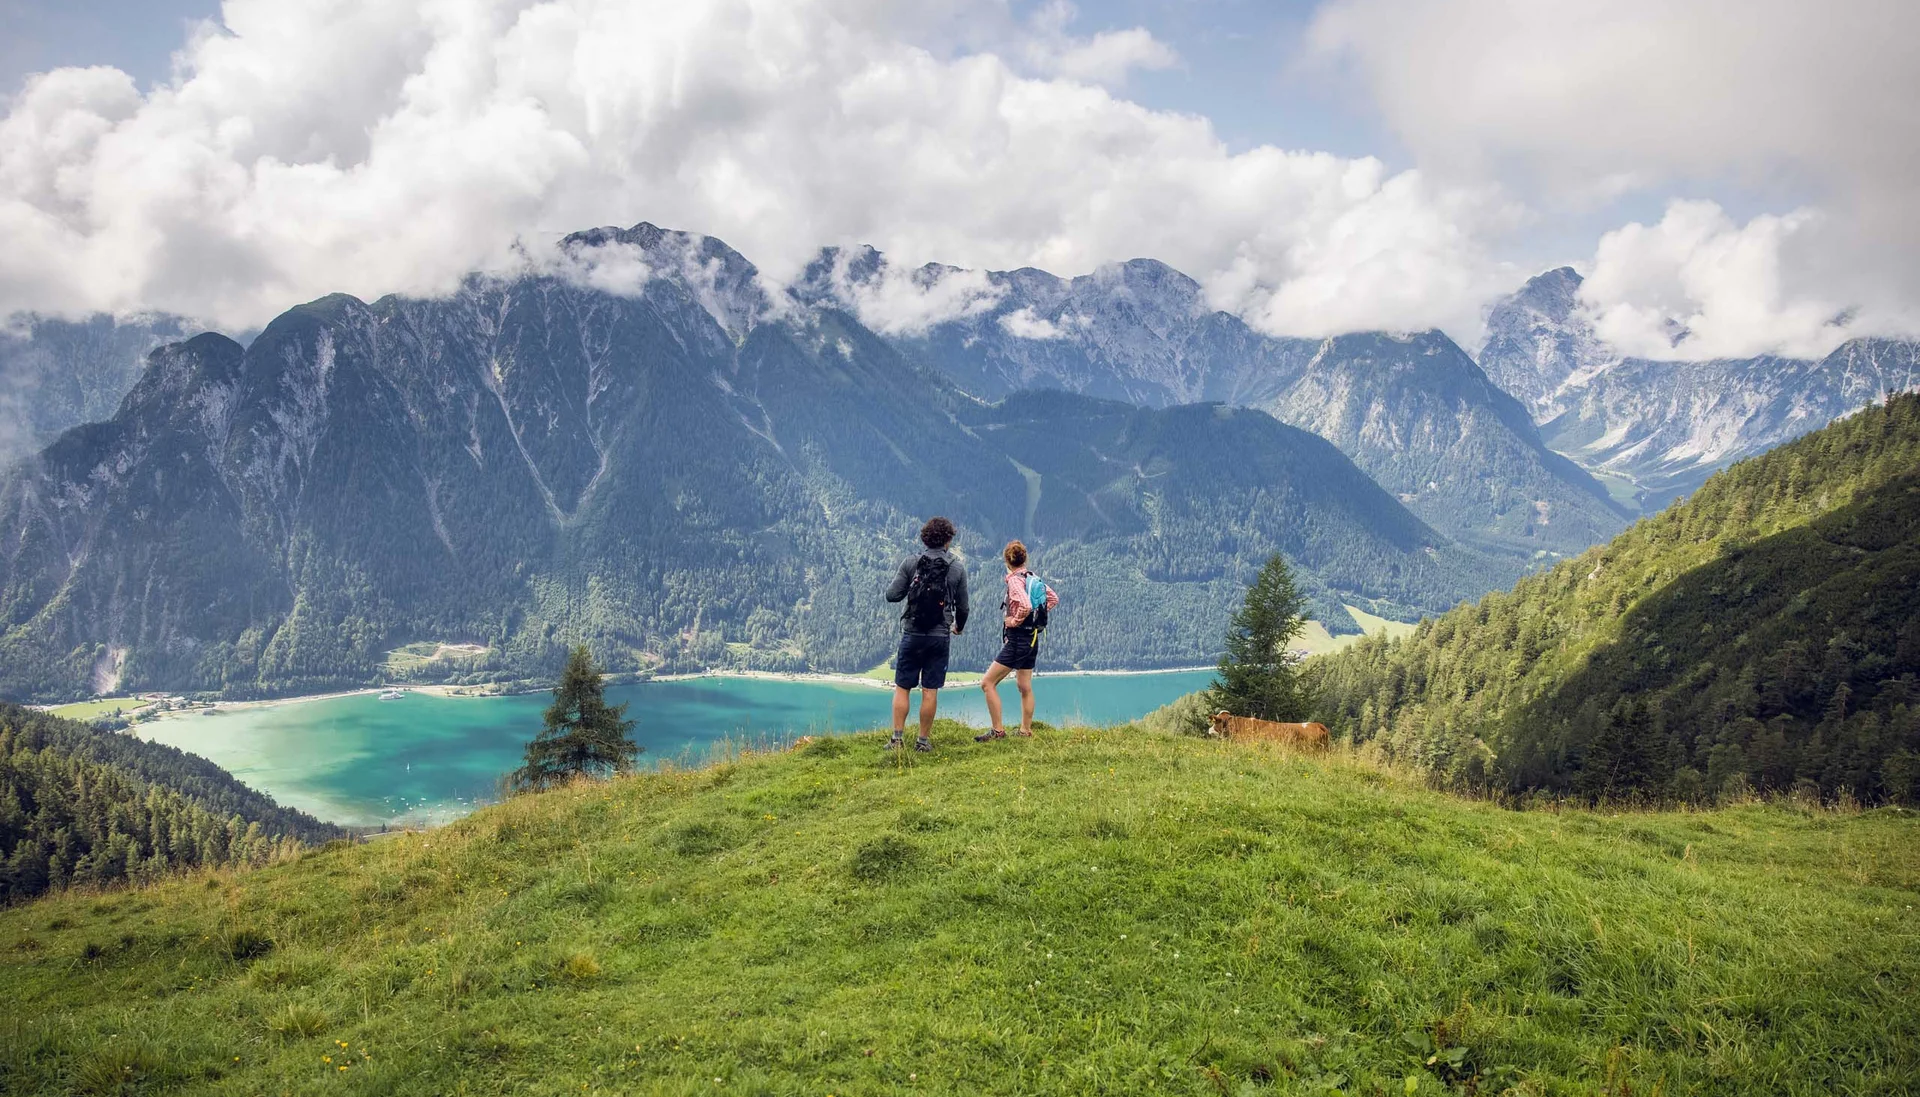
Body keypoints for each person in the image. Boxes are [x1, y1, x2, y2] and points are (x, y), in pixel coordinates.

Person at [883, 516, 969, 752]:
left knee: (903, 687)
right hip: (939, 636)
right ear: (948, 540)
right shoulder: (956, 568)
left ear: (925, 538)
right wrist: (958, 627)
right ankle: (922, 742)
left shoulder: (911, 563)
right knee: (929, 691)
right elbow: (963, 607)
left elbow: (892, 595)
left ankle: (897, 740)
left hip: (912, 633)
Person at [976, 539, 1058, 741]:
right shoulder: (1033, 577)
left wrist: (1014, 621)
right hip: (1033, 638)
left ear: (1007, 561)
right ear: (1024, 559)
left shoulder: (1014, 580)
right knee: (1024, 685)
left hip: (1018, 639)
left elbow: (1025, 604)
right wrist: (1034, 620)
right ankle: (1025, 730)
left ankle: (997, 731)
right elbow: (1053, 598)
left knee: (987, 683)